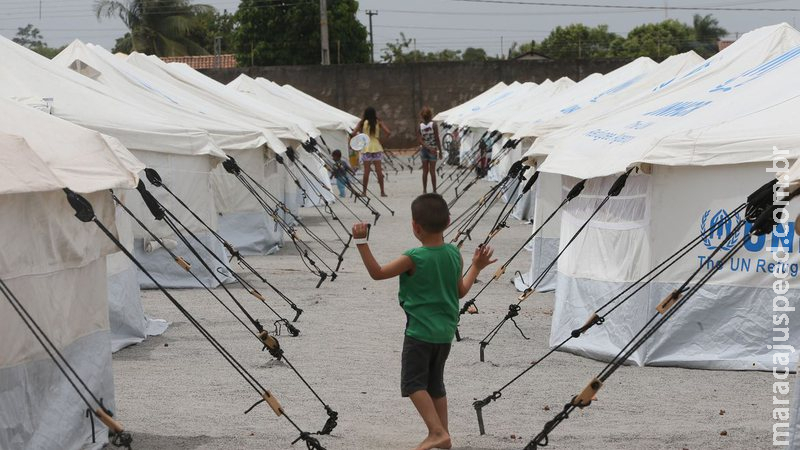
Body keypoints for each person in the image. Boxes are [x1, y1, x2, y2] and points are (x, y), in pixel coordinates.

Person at [351, 194, 496, 450]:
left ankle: (436, 432)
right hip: (445, 334)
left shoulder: (414, 257)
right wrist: (476, 267)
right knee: (435, 383)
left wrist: (361, 241)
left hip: (419, 333)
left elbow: (377, 273)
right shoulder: (454, 253)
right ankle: (444, 434)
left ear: (415, 226)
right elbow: (460, 291)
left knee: (413, 383)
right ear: (448, 221)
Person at [352, 106, 390, 197]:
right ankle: (382, 192)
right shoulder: (378, 122)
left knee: (366, 171)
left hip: (366, 147)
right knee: (379, 171)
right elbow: (388, 132)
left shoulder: (362, 122)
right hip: (377, 146)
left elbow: (353, 133)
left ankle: (364, 192)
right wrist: (381, 141)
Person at [416, 107, 442, 194]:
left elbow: (420, 139)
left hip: (424, 150)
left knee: (425, 171)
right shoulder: (434, 125)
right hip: (433, 150)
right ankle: (434, 190)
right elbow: (437, 138)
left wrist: (426, 147)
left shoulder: (420, 125)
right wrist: (440, 151)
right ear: (431, 115)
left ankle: (424, 190)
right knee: (432, 171)